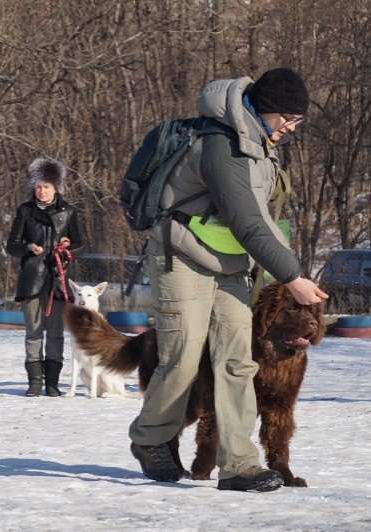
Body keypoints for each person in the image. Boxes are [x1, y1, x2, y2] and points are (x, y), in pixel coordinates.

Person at [129, 68, 328, 491]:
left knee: (238, 362)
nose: (292, 128)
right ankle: (150, 438)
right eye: (289, 119)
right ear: (267, 110)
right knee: (182, 358)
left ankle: (239, 465)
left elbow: (266, 219)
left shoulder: (262, 145)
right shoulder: (221, 144)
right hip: (182, 255)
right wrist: (291, 277)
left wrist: (291, 270)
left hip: (232, 266)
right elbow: (246, 220)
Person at [6, 158, 86, 397]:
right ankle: (34, 382)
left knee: (55, 334)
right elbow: (12, 245)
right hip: (32, 279)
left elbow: (81, 244)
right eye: (38, 186)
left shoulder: (69, 212)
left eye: (47, 186)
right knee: (33, 332)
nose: (42, 191)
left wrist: (68, 247)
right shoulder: (25, 211)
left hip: (58, 281)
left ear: (56, 188)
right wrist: (29, 247)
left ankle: (52, 383)